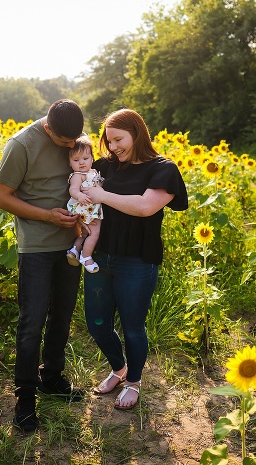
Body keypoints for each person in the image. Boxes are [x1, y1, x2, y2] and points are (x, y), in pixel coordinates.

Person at [80, 108, 188, 410]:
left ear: (137, 133)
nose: (113, 147)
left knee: (132, 327)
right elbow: (78, 176)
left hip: (137, 261)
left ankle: (134, 382)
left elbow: (145, 207)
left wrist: (101, 195)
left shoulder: (163, 169)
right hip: (100, 256)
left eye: (118, 139)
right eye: (108, 141)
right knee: (97, 324)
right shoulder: (104, 166)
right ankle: (119, 368)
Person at [0, 99, 86, 432]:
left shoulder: (74, 136)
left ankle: (52, 377)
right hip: (35, 246)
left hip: (71, 244)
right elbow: (1, 197)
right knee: (32, 321)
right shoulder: (22, 144)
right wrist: (48, 215)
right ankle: (25, 397)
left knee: (62, 314)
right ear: (48, 129)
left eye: (76, 140)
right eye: (65, 143)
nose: (72, 147)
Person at [65, 136, 104, 273]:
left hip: (90, 208)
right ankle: (86, 256)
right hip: (85, 208)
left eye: (85, 159)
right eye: (76, 160)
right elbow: (73, 189)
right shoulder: (78, 175)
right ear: (70, 163)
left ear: (92, 159)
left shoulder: (93, 173)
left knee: (83, 234)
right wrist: (79, 195)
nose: (81, 163)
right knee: (94, 233)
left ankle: (74, 250)